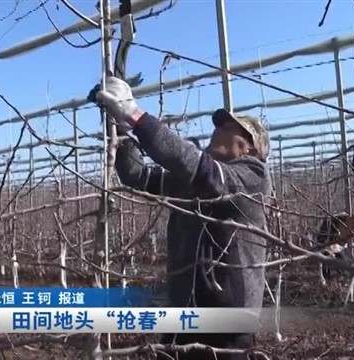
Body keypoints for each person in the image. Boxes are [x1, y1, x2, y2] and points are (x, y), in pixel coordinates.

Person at [89, 76, 272, 360]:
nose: (217, 130)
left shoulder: (253, 177)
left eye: (228, 127)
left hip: (226, 322)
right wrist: (122, 131)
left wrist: (135, 115)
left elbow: (201, 170)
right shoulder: (194, 182)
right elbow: (140, 176)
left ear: (250, 147)